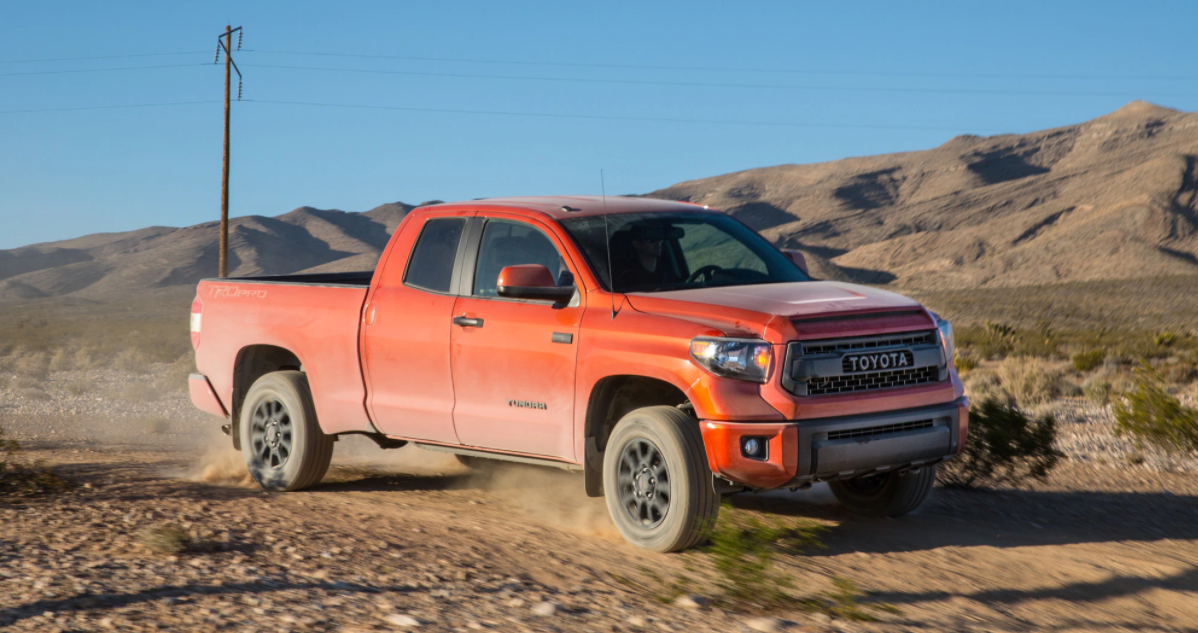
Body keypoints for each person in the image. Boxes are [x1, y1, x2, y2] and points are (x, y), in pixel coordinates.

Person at [613, 223, 682, 290]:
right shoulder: (628, 279)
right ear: (636, 244)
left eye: (660, 238)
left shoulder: (668, 275)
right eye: (651, 239)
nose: (658, 243)